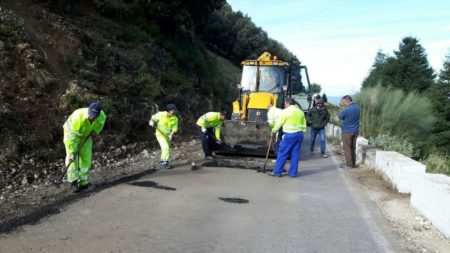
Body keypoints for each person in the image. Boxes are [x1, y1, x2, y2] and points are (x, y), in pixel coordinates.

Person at [63, 102, 106, 193]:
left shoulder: (102, 116)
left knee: (86, 158)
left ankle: (84, 182)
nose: (92, 117)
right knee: (72, 159)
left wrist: (93, 132)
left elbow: (99, 126)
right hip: (71, 136)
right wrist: (71, 152)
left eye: (94, 116)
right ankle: (73, 182)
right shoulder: (77, 117)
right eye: (91, 115)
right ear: (88, 110)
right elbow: (71, 137)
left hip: (85, 135)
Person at [268, 97, 306, 177]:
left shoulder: (286, 112)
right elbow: (304, 126)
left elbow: (279, 123)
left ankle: (277, 172)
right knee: (295, 155)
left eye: (285, 103)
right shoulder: (300, 112)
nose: (284, 105)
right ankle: (293, 173)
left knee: (282, 153)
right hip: (299, 135)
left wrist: (273, 131)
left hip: (290, 135)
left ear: (288, 103)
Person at [149, 104, 179, 169]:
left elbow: (174, 128)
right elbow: (153, 118)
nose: (175, 112)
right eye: (174, 110)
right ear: (169, 110)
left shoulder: (175, 118)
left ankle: (165, 161)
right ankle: (164, 163)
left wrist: (171, 135)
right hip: (160, 135)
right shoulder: (161, 114)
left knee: (167, 148)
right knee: (165, 148)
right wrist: (151, 121)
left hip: (167, 135)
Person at [338, 95, 360, 168]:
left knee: (347, 148)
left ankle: (349, 164)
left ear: (347, 101)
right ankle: (353, 163)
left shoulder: (347, 109)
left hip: (347, 131)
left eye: (344, 102)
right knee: (353, 148)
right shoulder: (357, 107)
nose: (343, 103)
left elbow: (340, 116)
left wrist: (345, 108)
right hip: (356, 130)